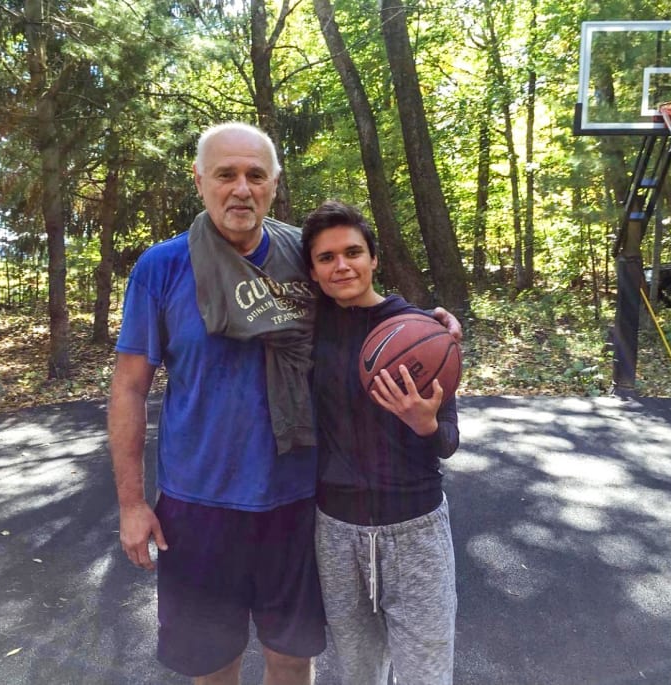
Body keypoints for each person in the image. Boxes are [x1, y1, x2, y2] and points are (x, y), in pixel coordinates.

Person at [108, 122, 462, 685]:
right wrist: (131, 503)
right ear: (200, 181)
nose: (241, 189)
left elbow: (363, 304)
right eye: (225, 174)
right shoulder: (163, 267)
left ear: (274, 183)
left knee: (293, 659)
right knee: (213, 666)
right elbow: (129, 387)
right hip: (199, 505)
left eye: (255, 175)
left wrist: (429, 323)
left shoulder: (303, 256)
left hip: (296, 501)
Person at [301, 200, 460, 685]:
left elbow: (448, 441)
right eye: (326, 257)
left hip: (415, 528)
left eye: (353, 252)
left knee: (426, 675)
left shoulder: (421, 331)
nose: (341, 265)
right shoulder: (307, 329)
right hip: (336, 530)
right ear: (313, 270)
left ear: (374, 258)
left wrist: (424, 423)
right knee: (358, 675)